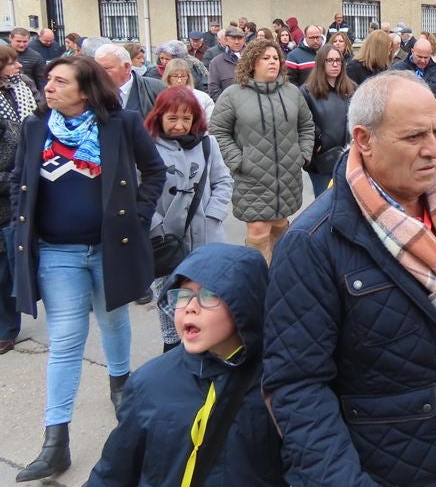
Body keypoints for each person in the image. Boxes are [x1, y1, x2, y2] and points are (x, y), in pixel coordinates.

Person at [262, 72, 436, 486]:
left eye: (435, 131)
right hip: (385, 467)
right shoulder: (314, 243)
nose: (433, 149)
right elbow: (297, 387)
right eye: (414, 137)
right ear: (364, 139)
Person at [11, 56, 166, 482]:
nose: (49, 86)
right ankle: (55, 441)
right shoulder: (35, 127)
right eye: (48, 80)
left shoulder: (122, 123)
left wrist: (137, 217)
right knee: (64, 340)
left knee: (114, 319)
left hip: (109, 249)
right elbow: (17, 178)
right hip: (57, 252)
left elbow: (154, 170)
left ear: (85, 90)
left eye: (60, 81)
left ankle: (120, 386)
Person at [87, 244, 284, 486]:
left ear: (244, 302)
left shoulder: (278, 383)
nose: (190, 307)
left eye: (208, 295)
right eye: (181, 295)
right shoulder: (149, 383)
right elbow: (113, 473)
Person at [143, 86, 234, 351]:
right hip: (165, 238)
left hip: (206, 233)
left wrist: (214, 214)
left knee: (207, 291)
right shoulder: (147, 146)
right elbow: (139, 190)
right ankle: (172, 345)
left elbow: (223, 180)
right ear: (159, 116)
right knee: (169, 292)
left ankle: (207, 342)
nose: (180, 125)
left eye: (187, 118)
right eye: (172, 118)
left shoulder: (208, 143)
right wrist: (156, 224)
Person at [210, 40, 314, 264]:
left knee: (279, 224)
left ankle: (278, 272)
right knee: (258, 230)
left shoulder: (292, 93)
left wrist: (302, 154)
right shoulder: (233, 95)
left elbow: (306, 125)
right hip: (252, 176)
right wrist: (238, 161)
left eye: (275, 58)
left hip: (287, 174)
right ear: (252, 63)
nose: (272, 62)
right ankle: (258, 277)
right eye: (265, 58)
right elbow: (218, 131)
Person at [0, 45, 38, 355]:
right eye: (9, 62)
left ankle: (7, 328)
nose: (16, 66)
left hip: (14, 190)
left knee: (9, 264)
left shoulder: (21, 91)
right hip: (7, 182)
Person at [301, 42, 355, 198]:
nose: (335, 64)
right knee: (325, 204)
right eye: (330, 60)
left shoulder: (351, 89)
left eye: (338, 60)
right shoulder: (307, 92)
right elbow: (304, 124)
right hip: (322, 161)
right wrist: (318, 143)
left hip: (349, 157)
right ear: (321, 63)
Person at [95, 43, 166, 119]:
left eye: (106, 68)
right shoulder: (90, 92)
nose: (99, 73)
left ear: (126, 67)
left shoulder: (157, 88)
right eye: (96, 69)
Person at [393, 36, 436, 122]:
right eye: (419, 57)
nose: (423, 61)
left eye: (426, 57)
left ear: (430, 53)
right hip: (405, 124)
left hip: (430, 123)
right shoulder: (398, 69)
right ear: (412, 52)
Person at [208, 26, 247, 100]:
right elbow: (214, 89)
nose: (237, 42)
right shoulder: (216, 62)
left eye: (240, 38)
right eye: (233, 38)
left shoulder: (253, 59)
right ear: (226, 40)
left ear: (244, 40)